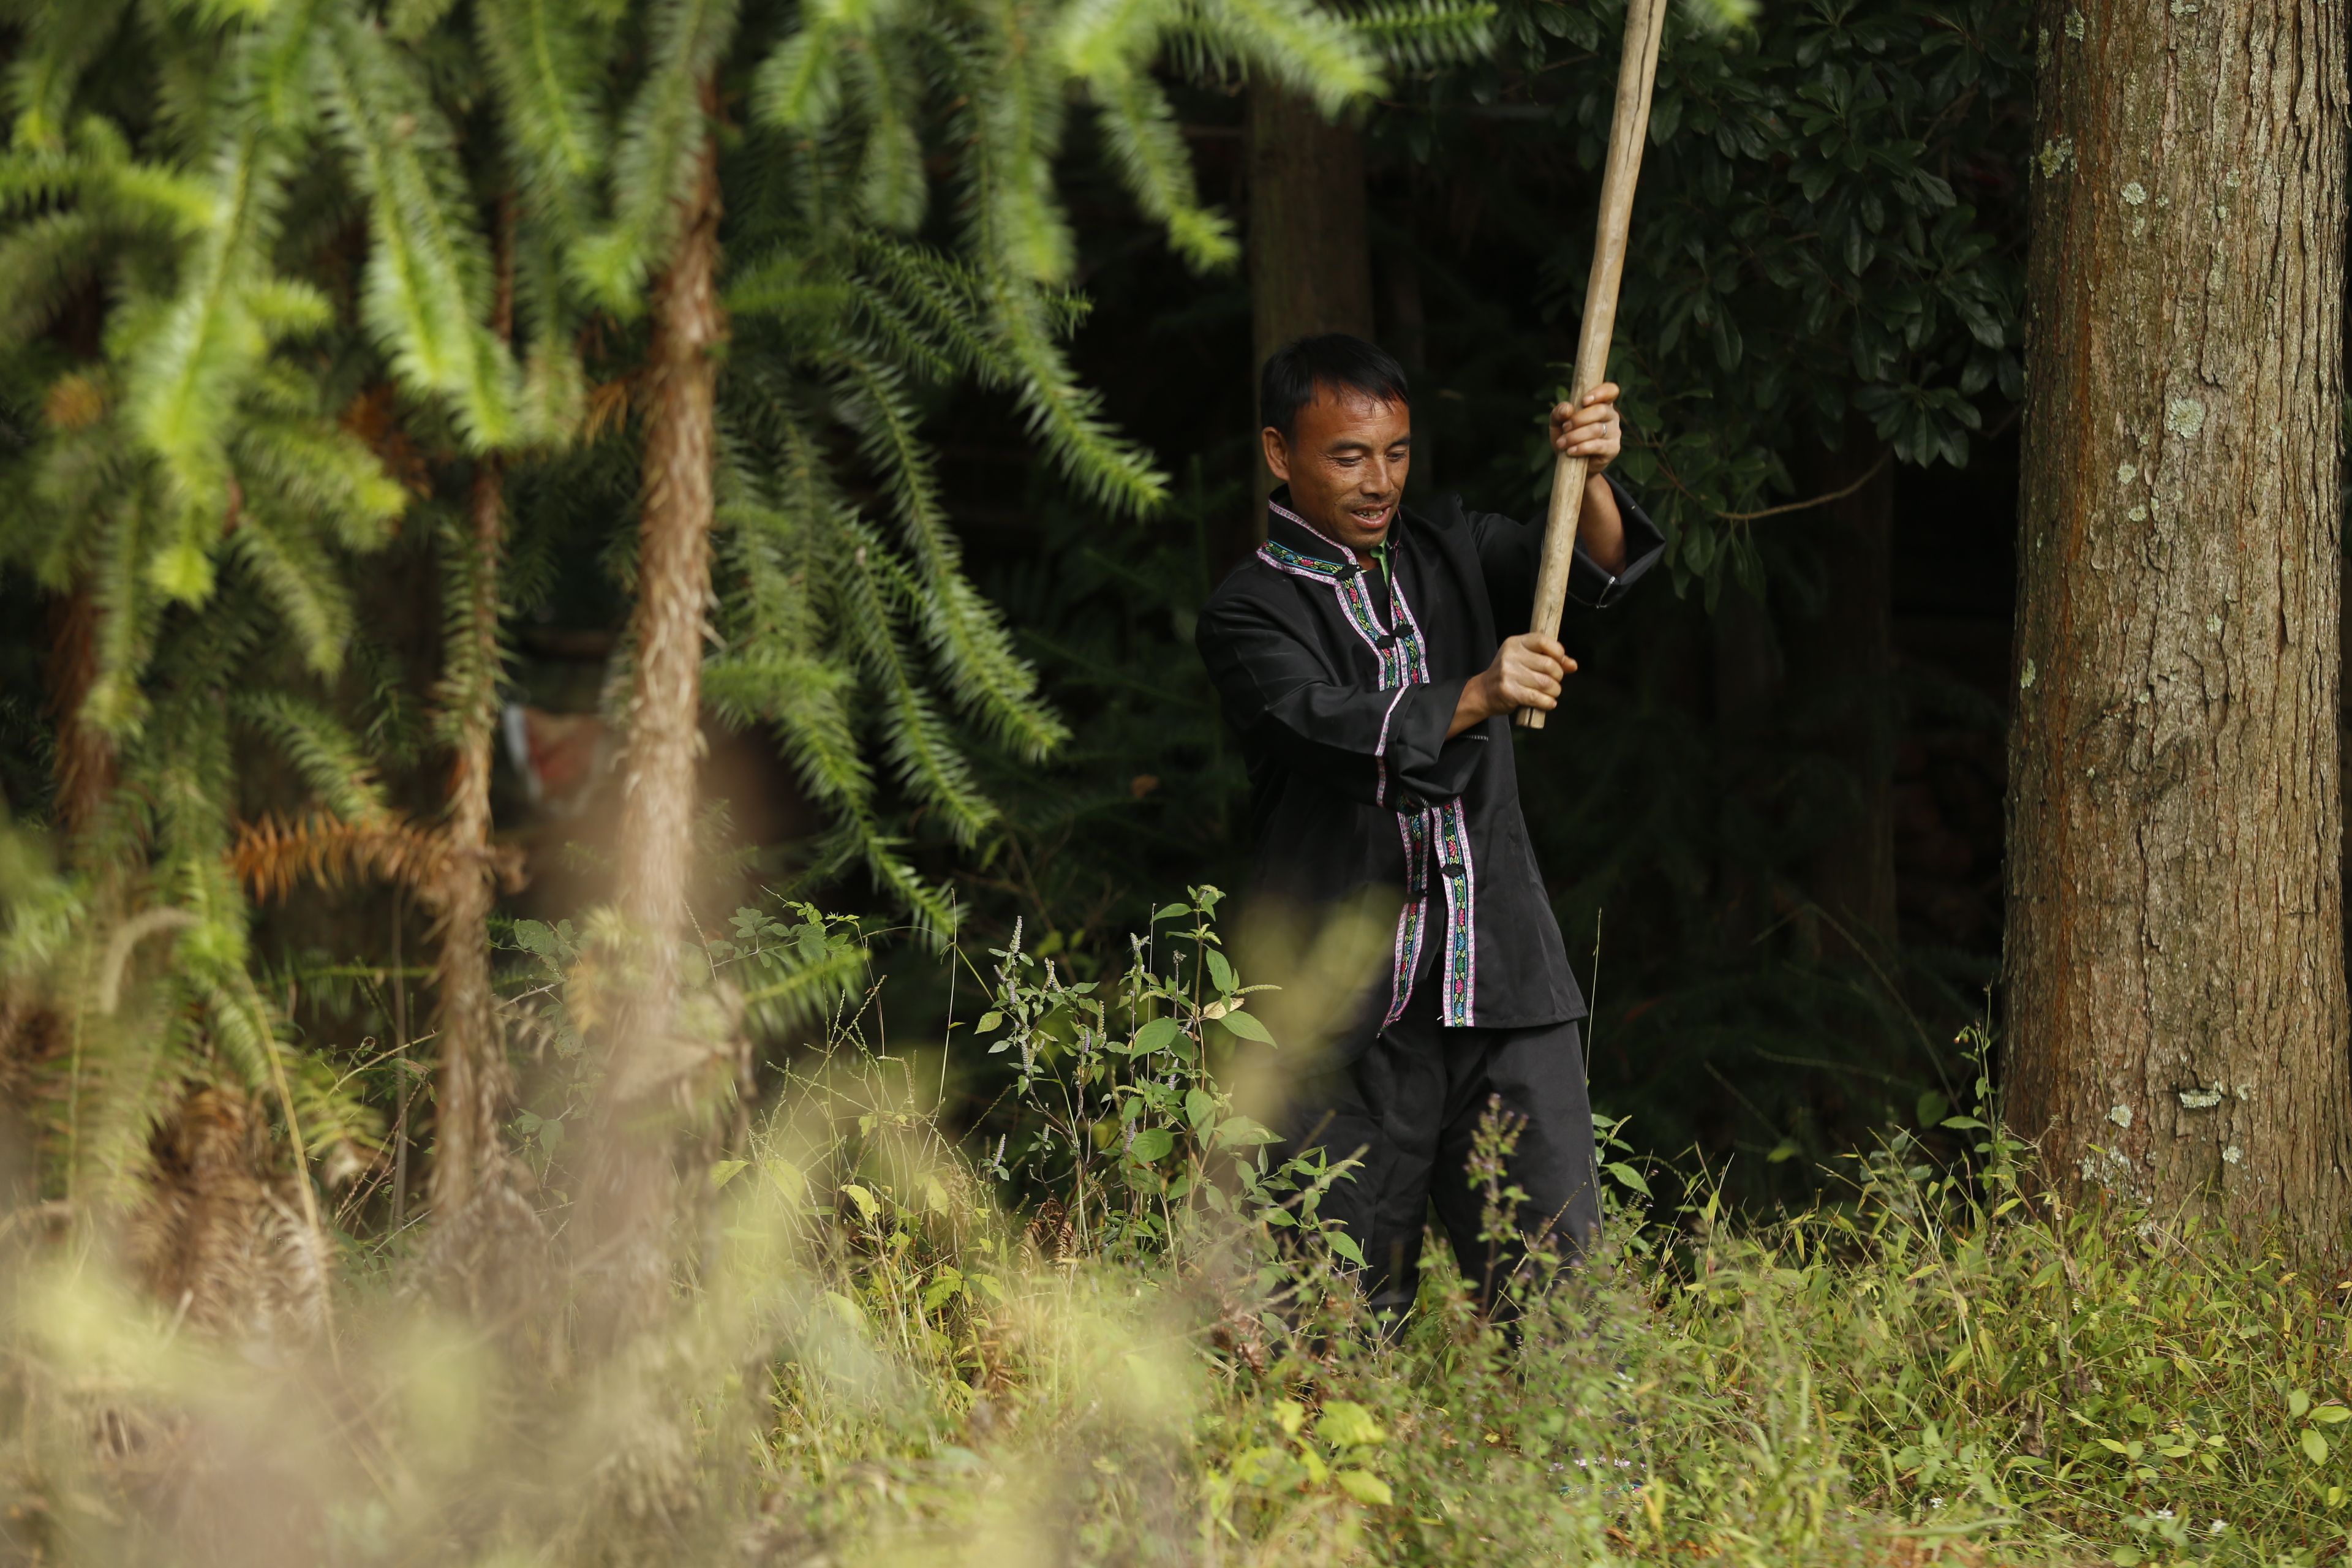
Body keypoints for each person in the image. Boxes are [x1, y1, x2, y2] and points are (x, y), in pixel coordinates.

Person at [1195, 333, 1665, 1326]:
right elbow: (1324, 725)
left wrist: (1589, 473)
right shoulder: (1250, 612)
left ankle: (1578, 1440)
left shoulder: (1453, 549)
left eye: (1396, 452)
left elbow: (1590, 565)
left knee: (1564, 1300)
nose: (1379, 482)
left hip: (1501, 987)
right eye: (1348, 456)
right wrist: (1479, 692)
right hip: (1344, 1026)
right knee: (1333, 1319)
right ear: (1280, 452)